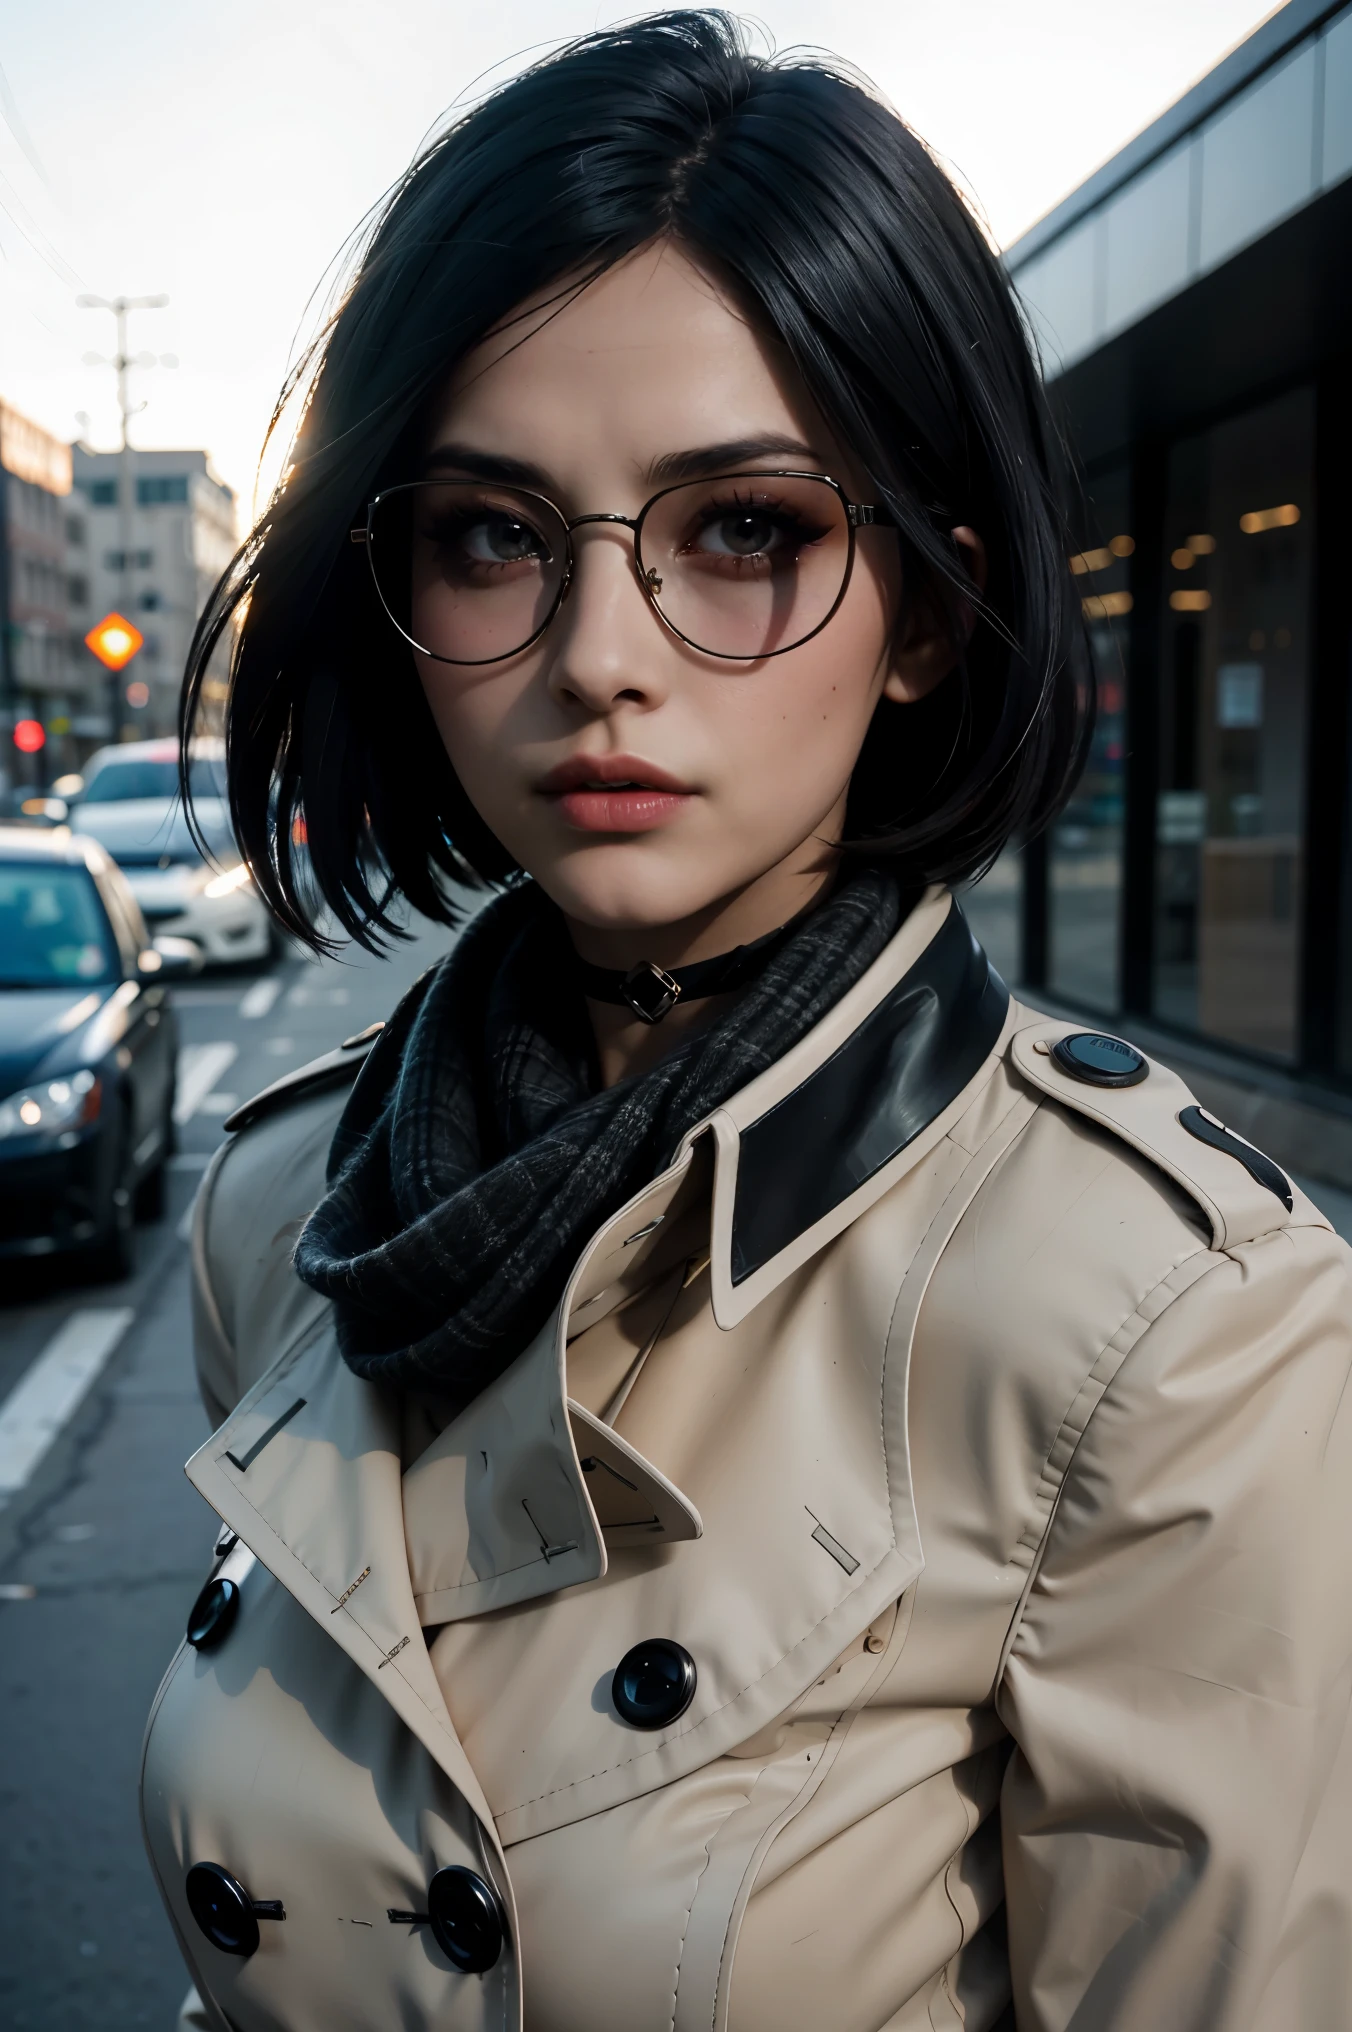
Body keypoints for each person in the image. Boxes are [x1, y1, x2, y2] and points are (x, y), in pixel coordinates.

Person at [141, 14, 1352, 2030]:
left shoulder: (1166, 1323)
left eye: (744, 530)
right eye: (491, 533)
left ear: (929, 616)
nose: (599, 656)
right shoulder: (287, 1212)